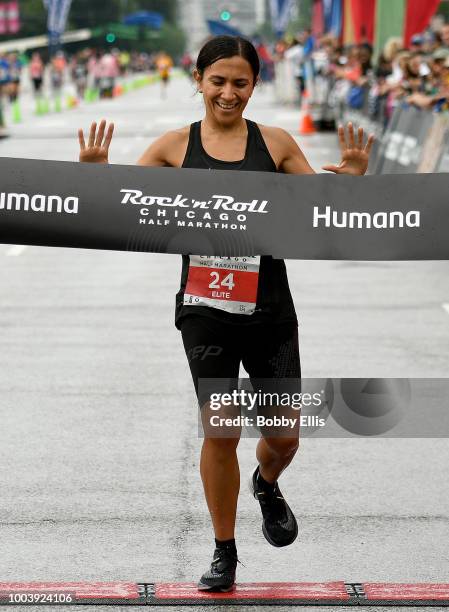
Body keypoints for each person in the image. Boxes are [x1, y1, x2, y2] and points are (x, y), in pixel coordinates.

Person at [78, 35, 373, 593]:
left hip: (270, 307)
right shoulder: (171, 148)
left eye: (240, 82)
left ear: (255, 85)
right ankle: (224, 552)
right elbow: (122, 212)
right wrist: (96, 177)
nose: (228, 93)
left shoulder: (278, 144)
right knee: (221, 429)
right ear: (198, 81)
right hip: (204, 307)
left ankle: (267, 482)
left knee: (285, 436)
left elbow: (322, 217)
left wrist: (352, 189)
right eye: (218, 81)